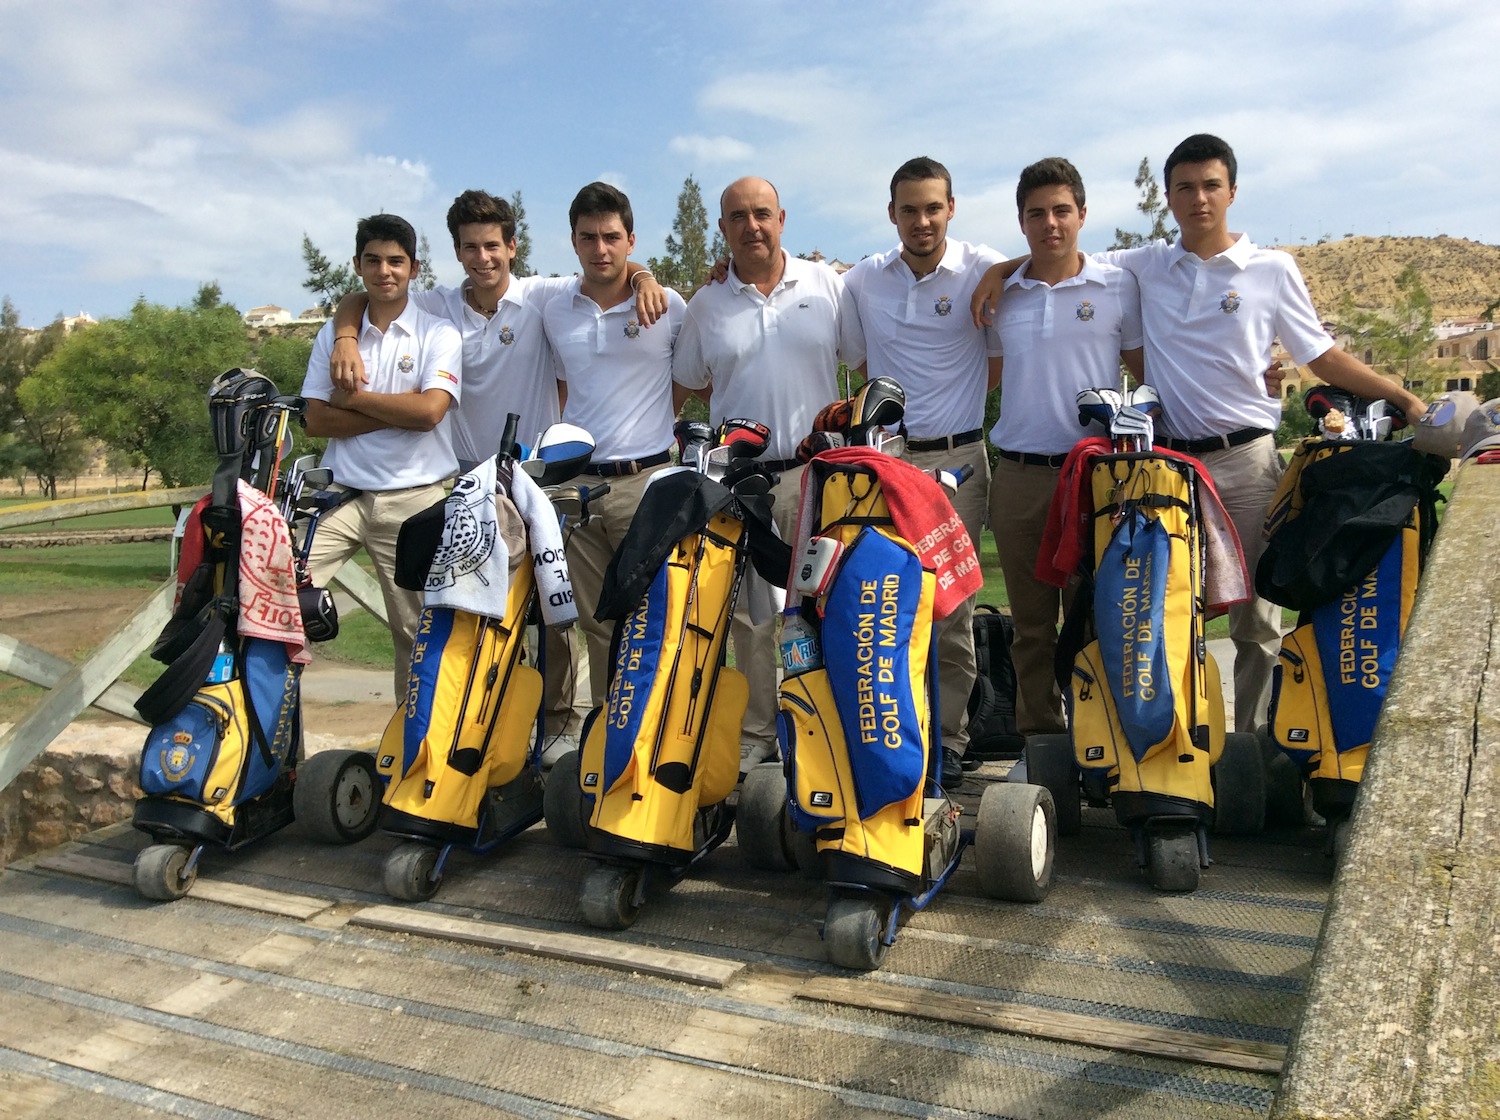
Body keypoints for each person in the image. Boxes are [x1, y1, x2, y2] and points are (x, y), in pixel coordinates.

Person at [972, 134, 1425, 731]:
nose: (1199, 199)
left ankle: (1254, 746)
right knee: (1159, 612)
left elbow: (1322, 355)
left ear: (1232, 191)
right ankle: (1176, 745)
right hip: (1168, 466)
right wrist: (1000, 269)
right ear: (1169, 197)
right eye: (1185, 188)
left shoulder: (1270, 269)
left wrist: (1402, 398)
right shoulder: (1145, 266)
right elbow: (1059, 254)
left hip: (1246, 459)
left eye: (1211, 185)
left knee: (1257, 618)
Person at [325, 190, 666, 755]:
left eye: (492, 246)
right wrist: (343, 335)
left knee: (552, 605)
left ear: (512, 246)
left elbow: (605, 266)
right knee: (477, 614)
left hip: (538, 480)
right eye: (470, 248)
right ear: (457, 252)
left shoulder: (541, 297)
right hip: (465, 484)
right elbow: (365, 294)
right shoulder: (435, 307)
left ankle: (556, 725)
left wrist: (646, 276)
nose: (482, 258)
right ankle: (488, 728)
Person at [672, 176, 865, 775]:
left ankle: (827, 726)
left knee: (827, 606)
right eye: (738, 217)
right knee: (753, 620)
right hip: (742, 482)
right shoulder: (705, 305)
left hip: (817, 475)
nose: (751, 226)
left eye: (762, 213)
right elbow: (685, 386)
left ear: (782, 219)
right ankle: (759, 731)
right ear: (722, 228)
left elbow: (862, 366)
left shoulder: (826, 284)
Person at [841, 156, 1003, 785]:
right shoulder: (864, 280)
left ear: (951, 208)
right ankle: (894, 729)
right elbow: (861, 363)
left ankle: (951, 737)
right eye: (909, 209)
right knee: (886, 602)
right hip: (890, 462)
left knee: (952, 606)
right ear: (892, 214)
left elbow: (996, 360)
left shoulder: (982, 268)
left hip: (960, 460)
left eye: (934, 207)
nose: (922, 220)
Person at [984, 157, 1143, 737]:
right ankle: (1041, 742)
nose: (1050, 223)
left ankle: (1097, 739)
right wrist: (1001, 270)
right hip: (1018, 476)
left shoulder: (1118, 285)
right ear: (1021, 222)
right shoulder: (1002, 294)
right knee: (1031, 627)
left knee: (1095, 617)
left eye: (1061, 210)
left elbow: (1148, 372)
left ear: (1082, 213)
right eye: (1036, 214)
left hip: (1094, 476)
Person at [300, 212, 462, 701]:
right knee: (277, 599)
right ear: (357, 265)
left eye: (396, 261)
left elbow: (430, 413)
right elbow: (315, 420)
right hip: (341, 496)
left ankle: (412, 743)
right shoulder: (334, 336)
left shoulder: (439, 333)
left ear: (414, 268)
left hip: (414, 499)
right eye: (373, 261)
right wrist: (398, 409)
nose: (384, 271)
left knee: (418, 636)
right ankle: (272, 734)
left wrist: (353, 400)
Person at [542, 181, 690, 712]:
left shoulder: (668, 305)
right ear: (573, 241)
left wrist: (646, 277)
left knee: (656, 615)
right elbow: (564, 388)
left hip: (647, 482)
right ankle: (609, 727)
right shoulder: (555, 309)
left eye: (611, 237)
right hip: (579, 486)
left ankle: (658, 729)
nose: (600, 249)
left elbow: (688, 381)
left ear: (631, 239)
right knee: (596, 621)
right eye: (588, 237)